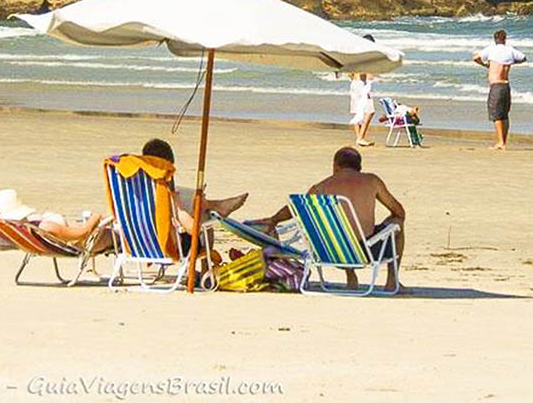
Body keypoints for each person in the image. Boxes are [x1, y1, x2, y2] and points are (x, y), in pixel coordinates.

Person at [257, 146, 406, 293]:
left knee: (339, 231)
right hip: (366, 251)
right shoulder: (372, 181)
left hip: (330, 252)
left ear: (335, 165)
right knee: (397, 222)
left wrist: (274, 219)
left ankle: (350, 276)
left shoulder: (319, 188)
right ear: (359, 166)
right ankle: (392, 282)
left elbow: (294, 209)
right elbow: (399, 212)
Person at [139, 138, 248, 253]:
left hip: (134, 246)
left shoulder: (131, 190)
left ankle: (211, 204)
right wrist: (181, 207)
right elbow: (192, 229)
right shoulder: (163, 191)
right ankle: (213, 205)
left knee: (191, 201)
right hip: (165, 246)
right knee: (205, 219)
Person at [0, 188, 110, 250]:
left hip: (50, 239)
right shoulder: (44, 228)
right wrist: (95, 218)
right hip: (81, 243)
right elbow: (82, 234)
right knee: (116, 233)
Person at [472, 29, 526, 150]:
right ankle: (503, 141)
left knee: (496, 115)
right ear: (505, 39)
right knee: (504, 115)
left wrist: (485, 65)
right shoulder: (510, 50)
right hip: (506, 85)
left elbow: (475, 57)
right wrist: (511, 62)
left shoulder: (492, 49)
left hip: (496, 85)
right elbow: (523, 58)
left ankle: (501, 143)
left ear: (495, 39)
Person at [348, 35, 378, 147]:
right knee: (370, 111)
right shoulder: (365, 56)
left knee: (357, 112)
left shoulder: (356, 55)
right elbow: (367, 74)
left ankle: (359, 138)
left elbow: (350, 72)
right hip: (361, 85)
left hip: (354, 84)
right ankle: (360, 138)